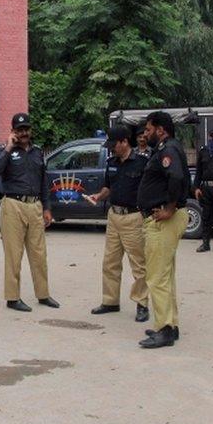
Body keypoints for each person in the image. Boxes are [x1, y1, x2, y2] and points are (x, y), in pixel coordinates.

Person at [0, 113, 59, 312]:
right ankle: (12, 298)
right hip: (12, 205)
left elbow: (44, 181)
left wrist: (47, 208)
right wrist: (9, 148)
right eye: (19, 130)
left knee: (39, 254)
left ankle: (43, 294)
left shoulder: (37, 152)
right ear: (13, 132)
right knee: (13, 254)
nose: (24, 133)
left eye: (26, 129)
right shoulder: (4, 151)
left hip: (35, 206)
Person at [136, 112, 190, 349]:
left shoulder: (167, 149)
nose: (145, 134)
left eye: (148, 130)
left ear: (160, 130)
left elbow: (176, 176)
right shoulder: (168, 148)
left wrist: (169, 207)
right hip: (163, 218)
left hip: (162, 220)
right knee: (165, 275)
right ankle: (170, 324)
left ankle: (164, 329)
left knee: (156, 277)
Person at [86, 126, 150, 322]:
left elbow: (148, 190)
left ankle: (142, 304)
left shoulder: (141, 163)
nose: (111, 149)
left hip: (133, 217)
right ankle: (110, 301)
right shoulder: (111, 162)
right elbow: (108, 187)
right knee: (110, 262)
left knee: (138, 264)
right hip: (114, 216)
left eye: (114, 145)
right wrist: (99, 195)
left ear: (124, 142)